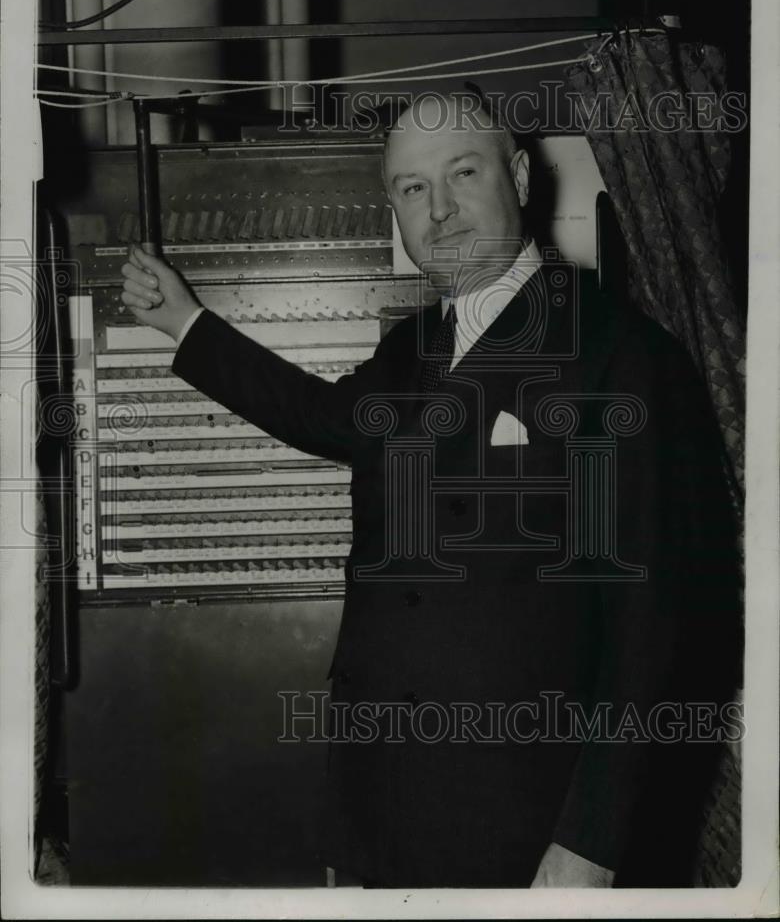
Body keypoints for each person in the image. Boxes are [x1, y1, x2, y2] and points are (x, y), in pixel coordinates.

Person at [121, 92, 740, 888]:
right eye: (413, 188)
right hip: (383, 810)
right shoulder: (408, 349)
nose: (439, 210)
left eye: (463, 173)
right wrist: (185, 321)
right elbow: (320, 415)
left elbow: (659, 631)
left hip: (530, 830)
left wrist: (592, 846)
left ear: (519, 176)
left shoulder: (625, 357)